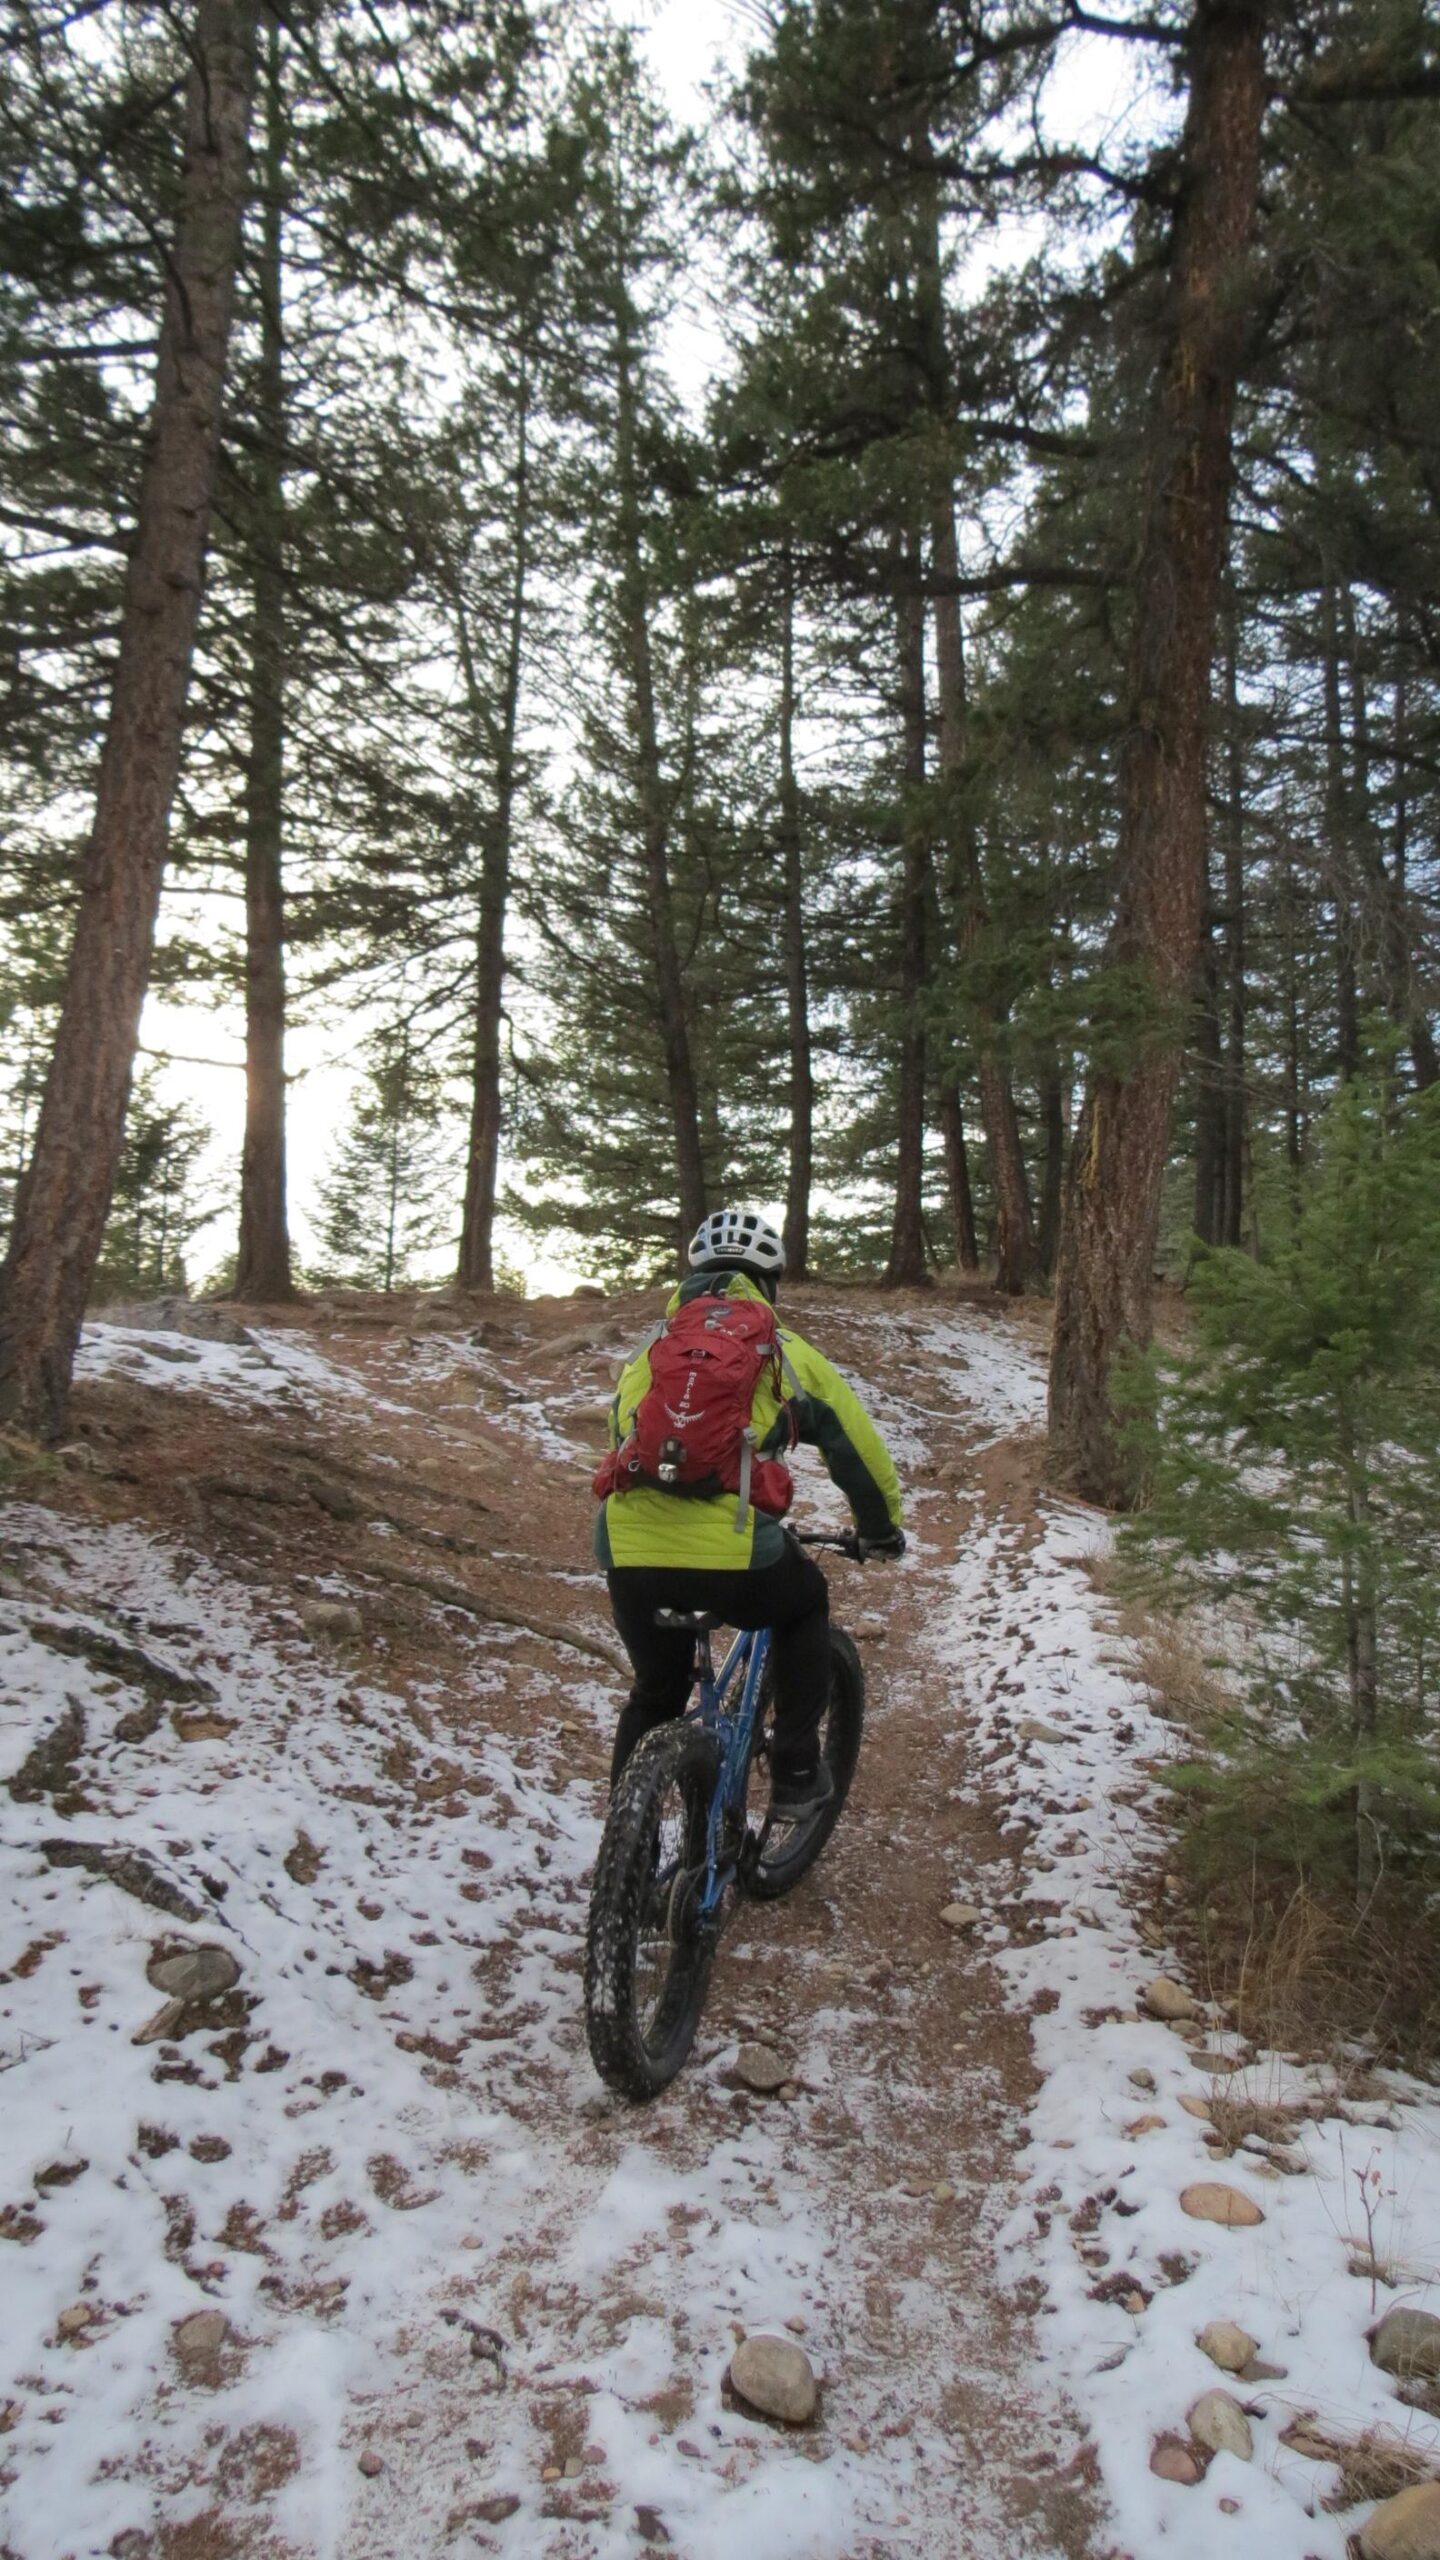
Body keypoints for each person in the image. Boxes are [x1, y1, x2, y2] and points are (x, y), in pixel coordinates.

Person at [594, 1206, 905, 1833]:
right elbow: (856, 1450)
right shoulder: (784, 1352)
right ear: (767, 1283)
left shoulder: (648, 1353)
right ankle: (793, 1771)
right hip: (735, 1557)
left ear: (694, 1277)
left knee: (657, 1691)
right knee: (804, 1602)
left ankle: (626, 1846)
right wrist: (879, 1528)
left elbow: (622, 1443)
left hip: (628, 1552)